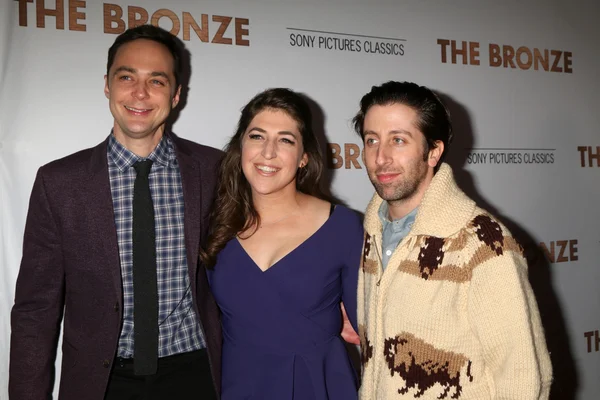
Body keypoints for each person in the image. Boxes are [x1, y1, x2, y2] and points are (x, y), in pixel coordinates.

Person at [10, 25, 222, 400]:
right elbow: (35, 310)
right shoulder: (59, 183)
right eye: (126, 77)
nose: (140, 93)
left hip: (196, 374)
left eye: (156, 81)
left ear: (176, 95)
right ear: (107, 85)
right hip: (101, 383)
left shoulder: (215, 169)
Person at [353, 81, 552, 399]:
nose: (381, 157)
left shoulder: (482, 243)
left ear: (433, 151)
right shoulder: (372, 232)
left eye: (399, 140)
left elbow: (523, 377)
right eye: (371, 140)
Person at [201, 88, 363, 399]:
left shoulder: (342, 226)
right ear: (241, 147)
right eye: (257, 136)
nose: (268, 152)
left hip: (319, 386)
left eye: (285, 140)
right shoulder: (213, 224)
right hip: (238, 385)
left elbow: (372, 329)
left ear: (304, 157)